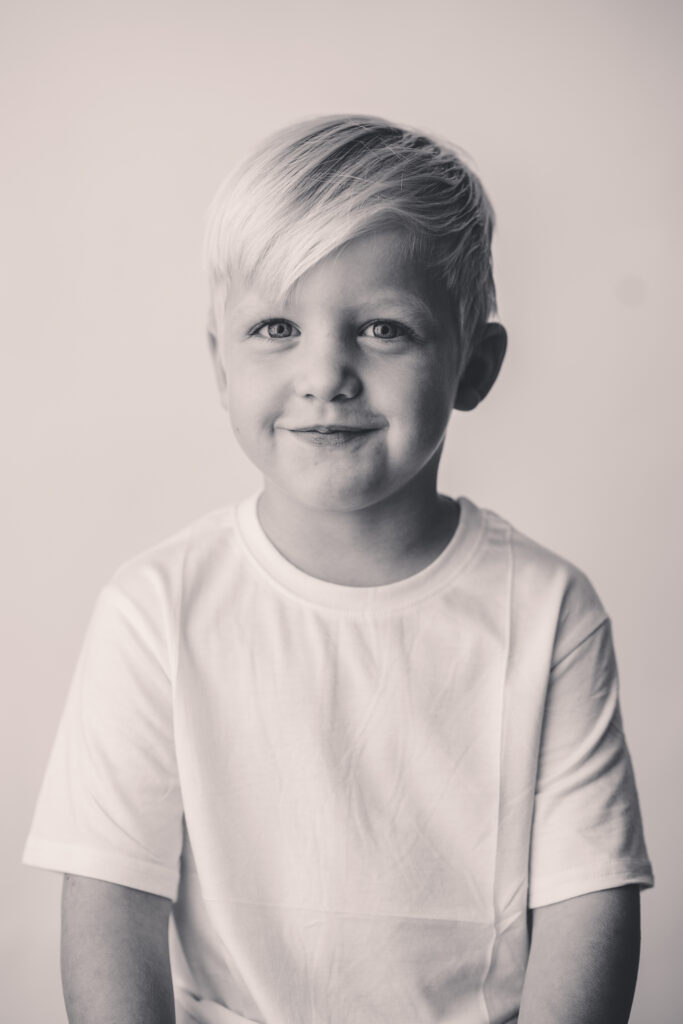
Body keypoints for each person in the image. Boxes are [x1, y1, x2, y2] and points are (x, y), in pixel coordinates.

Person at [23, 114, 654, 1024]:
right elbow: (112, 906)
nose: (325, 373)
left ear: (473, 366)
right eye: (275, 325)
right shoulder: (155, 608)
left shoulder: (548, 609)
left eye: (385, 330)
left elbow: (587, 905)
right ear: (219, 365)